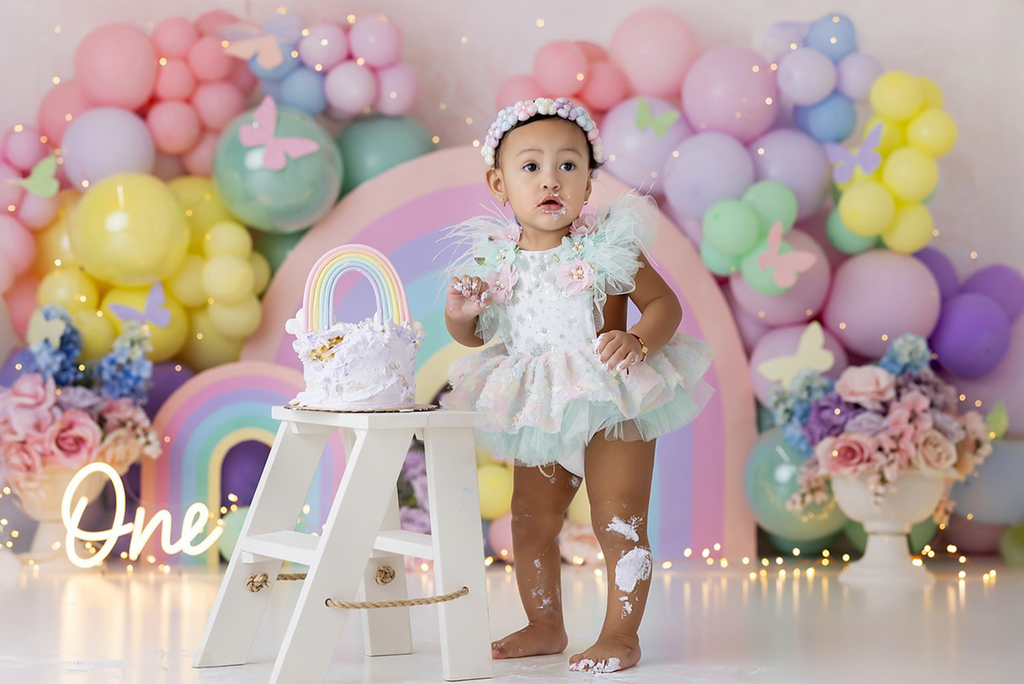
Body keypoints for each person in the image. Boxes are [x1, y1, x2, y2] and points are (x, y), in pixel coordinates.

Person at [442, 97, 713, 674]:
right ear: (499, 183)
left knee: (618, 515)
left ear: (589, 185)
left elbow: (664, 305)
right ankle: (545, 624)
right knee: (530, 519)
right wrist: (461, 315)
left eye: (568, 166)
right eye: (531, 166)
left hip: (614, 395)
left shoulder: (605, 247)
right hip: (542, 406)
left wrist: (639, 339)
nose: (551, 180)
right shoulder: (496, 260)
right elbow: (475, 336)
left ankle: (621, 634)